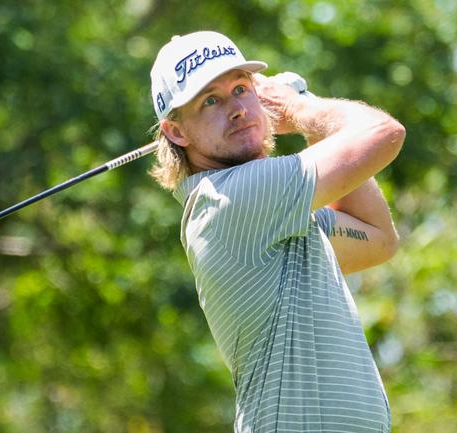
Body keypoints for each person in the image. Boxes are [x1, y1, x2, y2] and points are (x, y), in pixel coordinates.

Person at [149, 31, 405, 433]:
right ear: (177, 132)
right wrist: (300, 108)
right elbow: (383, 132)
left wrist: (311, 118)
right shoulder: (232, 199)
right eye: (210, 101)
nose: (238, 109)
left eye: (241, 89)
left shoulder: (275, 216)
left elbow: (379, 238)